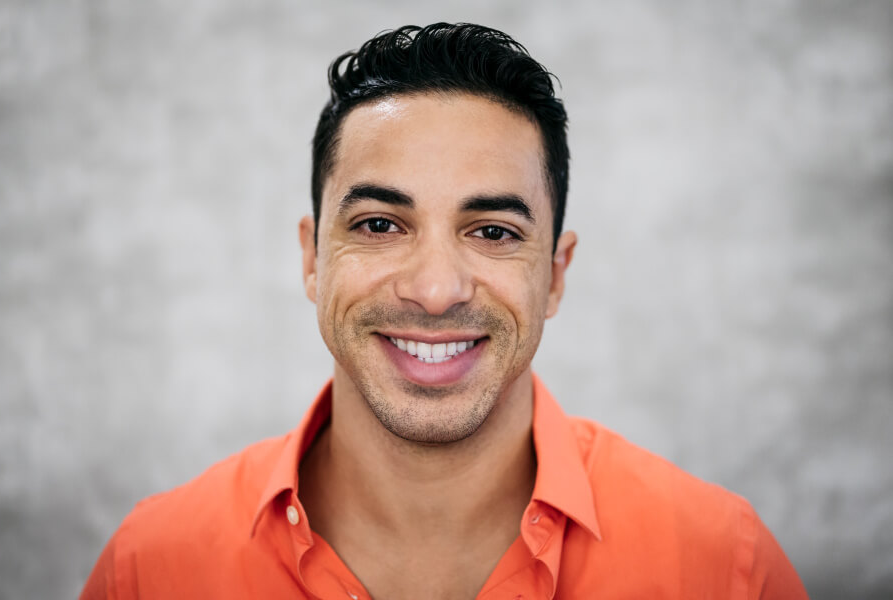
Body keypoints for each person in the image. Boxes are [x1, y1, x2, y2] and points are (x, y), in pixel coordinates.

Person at [81, 23, 808, 599]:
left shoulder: (724, 568)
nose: (435, 291)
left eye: (493, 232)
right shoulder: (152, 568)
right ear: (312, 258)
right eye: (378, 225)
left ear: (556, 276)